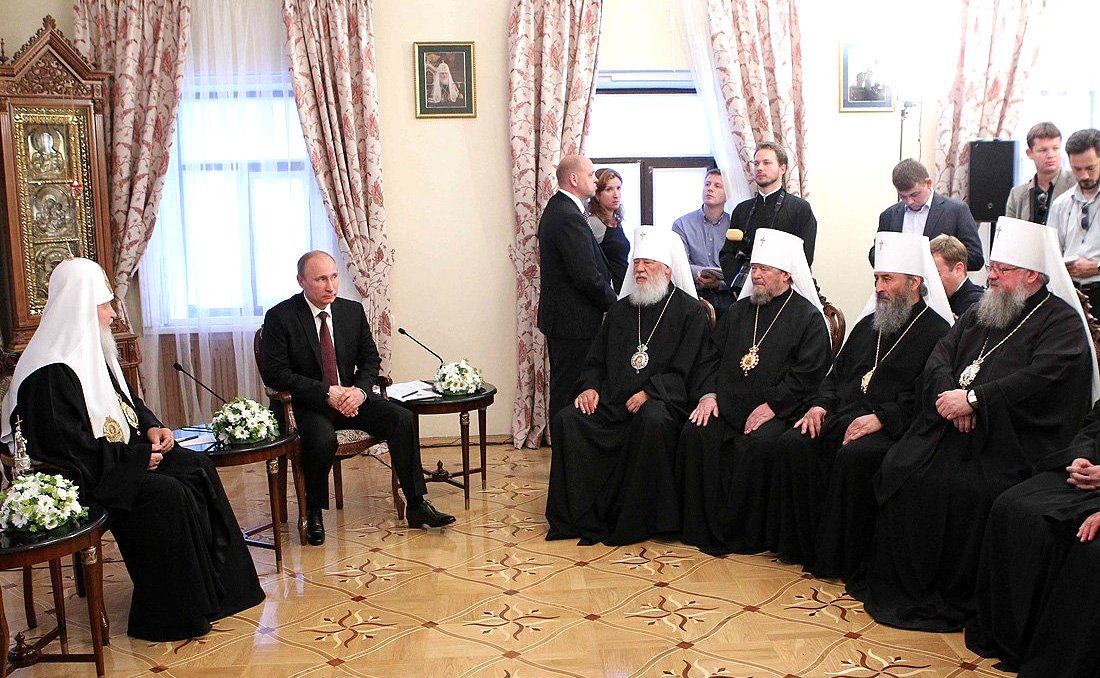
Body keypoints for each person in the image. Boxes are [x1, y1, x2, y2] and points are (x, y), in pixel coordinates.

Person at [850, 217, 1098, 632]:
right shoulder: (984, 309)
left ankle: (957, 595)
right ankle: (905, 585)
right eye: (994, 266)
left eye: (1001, 268)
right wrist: (951, 398)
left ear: (1032, 275)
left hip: (1010, 439)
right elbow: (940, 356)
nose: (991, 275)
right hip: (951, 427)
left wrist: (975, 400)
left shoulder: (1061, 323)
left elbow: (1045, 377)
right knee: (902, 469)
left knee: (965, 490)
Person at [0, 257, 264, 642]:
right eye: (105, 306)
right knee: (167, 494)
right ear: (80, 310)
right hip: (86, 477)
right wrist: (139, 459)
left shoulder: (94, 352)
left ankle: (221, 592)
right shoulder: (48, 373)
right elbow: (68, 452)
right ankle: (169, 615)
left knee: (197, 467)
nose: (112, 315)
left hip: (121, 458)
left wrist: (154, 428)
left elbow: (128, 405)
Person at [767, 232, 953, 576]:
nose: (879, 287)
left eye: (887, 279)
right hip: (844, 413)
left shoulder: (937, 332)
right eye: (877, 279)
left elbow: (928, 394)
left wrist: (882, 418)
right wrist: (820, 405)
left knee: (855, 455)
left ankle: (842, 557)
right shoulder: (869, 325)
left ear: (914, 283)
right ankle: (802, 545)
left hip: (899, 426)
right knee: (794, 442)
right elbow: (836, 374)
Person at [261, 251, 455, 545]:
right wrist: (326, 392)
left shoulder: (351, 311)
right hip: (307, 405)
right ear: (301, 281)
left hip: (351, 399)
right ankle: (313, 511)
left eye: (334, 277)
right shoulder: (280, 317)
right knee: (322, 438)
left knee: (402, 418)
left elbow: (370, 359)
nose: (331, 286)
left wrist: (360, 391)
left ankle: (417, 504)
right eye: (321, 279)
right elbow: (275, 374)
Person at [545, 227, 712, 546]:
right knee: (568, 419)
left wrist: (650, 391)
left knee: (652, 420)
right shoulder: (620, 311)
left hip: (661, 402)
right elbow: (594, 360)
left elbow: (688, 370)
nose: (639, 269)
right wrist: (590, 386)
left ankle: (641, 516)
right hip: (612, 402)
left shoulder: (690, 312)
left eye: (648, 263)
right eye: (636, 262)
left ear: (667, 269)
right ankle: (577, 514)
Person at [679, 229, 831, 555]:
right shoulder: (739, 311)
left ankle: (746, 534)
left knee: (756, 445)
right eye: (753, 268)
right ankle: (699, 526)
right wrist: (708, 395)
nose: (755, 275)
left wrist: (773, 406)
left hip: (780, 408)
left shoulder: (808, 318)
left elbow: (808, 374)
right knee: (696, 431)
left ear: (786, 274)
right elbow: (711, 357)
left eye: (764, 269)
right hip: (728, 403)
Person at [966, 400, 1100, 677]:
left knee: (1090, 550)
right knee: (1012, 506)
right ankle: (1013, 640)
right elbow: (1094, 422)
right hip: (1091, 476)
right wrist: (1080, 456)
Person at [538, 154, 617, 421]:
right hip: (573, 322)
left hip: (570, 320)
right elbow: (585, 275)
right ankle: (565, 455)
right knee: (569, 390)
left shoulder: (564, 209)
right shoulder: (566, 214)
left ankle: (570, 453)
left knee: (569, 388)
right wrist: (615, 305)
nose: (595, 180)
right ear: (574, 178)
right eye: (591, 175)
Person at [719, 143, 818, 293]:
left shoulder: (800, 209)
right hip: (745, 289)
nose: (759, 168)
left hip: (785, 291)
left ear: (782, 169)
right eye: (756, 163)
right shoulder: (742, 210)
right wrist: (738, 283)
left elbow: (804, 257)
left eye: (767, 163)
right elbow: (727, 254)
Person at [870, 159, 983, 271]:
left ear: (928, 183)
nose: (909, 201)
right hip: (899, 287)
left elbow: (975, 258)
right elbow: (874, 255)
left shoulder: (956, 211)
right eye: (903, 196)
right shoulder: (889, 215)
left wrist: (934, 260)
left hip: (940, 286)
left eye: (915, 194)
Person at [1049, 128, 1100, 313]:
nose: (1084, 176)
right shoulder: (1061, 204)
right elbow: (1051, 251)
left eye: (1090, 168)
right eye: (1077, 169)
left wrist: (1097, 267)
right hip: (1069, 292)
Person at [672, 169, 734, 317]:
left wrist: (719, 282)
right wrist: (705, 272)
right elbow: (679, 264)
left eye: (717, 186)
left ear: (728, 194)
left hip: (727, 294)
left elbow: (738, 267)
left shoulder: (734, 225)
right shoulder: (682, 224)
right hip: (692, 294)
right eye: (707, 184)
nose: (710, 188)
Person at [1004, 122, 1075, 225]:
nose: (1051, 155)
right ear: (1029, 153)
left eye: (1055, 148)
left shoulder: (1076, 183)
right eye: (1043, 150)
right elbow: (1008, 234)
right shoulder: (1017, 195)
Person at [586, 168, 630, 293]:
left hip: (623, 288)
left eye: (618, 188)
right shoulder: (594, 223)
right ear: (597, 194)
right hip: (608, 292)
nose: (616, 194)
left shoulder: (616, 221)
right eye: (609, 189)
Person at [929, 234, 984, 317]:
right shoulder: (941, 299)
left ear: (958, 269)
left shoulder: (974, 306)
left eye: (936, 274)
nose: (930, 281)